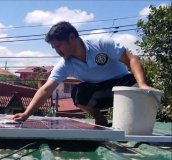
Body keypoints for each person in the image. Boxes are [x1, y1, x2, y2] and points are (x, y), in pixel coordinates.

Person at [11, 21, 158, 126]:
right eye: (54, 48)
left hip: (122, 85)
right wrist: (26, 114)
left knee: (136, 85)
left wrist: (143, 84)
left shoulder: (101, 43)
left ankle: (134, 122)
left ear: (72, 37)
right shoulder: (65, 64)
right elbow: (46, 89)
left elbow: (132, 59)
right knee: (77, 93)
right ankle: (100, 119)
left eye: (59, 46)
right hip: (100, 92)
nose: (57, 51)